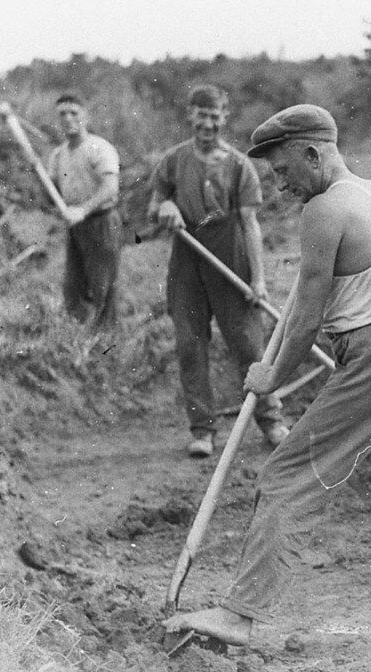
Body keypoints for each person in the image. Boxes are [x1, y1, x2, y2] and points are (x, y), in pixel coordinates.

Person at [162, 104, 371, 646]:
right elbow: (313, 300)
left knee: (288, 473)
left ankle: (240, 614)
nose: (281, 184)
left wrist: (271, 375)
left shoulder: (324, 210)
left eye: (284, 170)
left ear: (313, 153)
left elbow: (308, 318)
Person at [145, 84, 287, 458]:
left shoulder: (240, 165)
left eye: (215, 116)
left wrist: (257, 279)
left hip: (230, 256)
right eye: (201, 115)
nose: (208, 124)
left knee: (249, 345)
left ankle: (271, 421)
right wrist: (167, 209)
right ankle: (202, 430)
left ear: (225, 118)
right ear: (190, 115)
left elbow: (251, 224)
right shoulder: (173, 161)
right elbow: (155, 203)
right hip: (187, 257)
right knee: (191, 346)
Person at [47, 92, 123, 329]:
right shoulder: (58, 155)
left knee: (102, 288)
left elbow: (110, 187)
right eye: (62, 114)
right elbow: (53, 193)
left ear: (85, 116)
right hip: (76, 226)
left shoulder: (99, 148)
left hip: (102, 223)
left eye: (74, 113)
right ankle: (77, 345)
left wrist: (83, 209)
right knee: (73, 287)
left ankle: (106, 346)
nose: (68, 119)